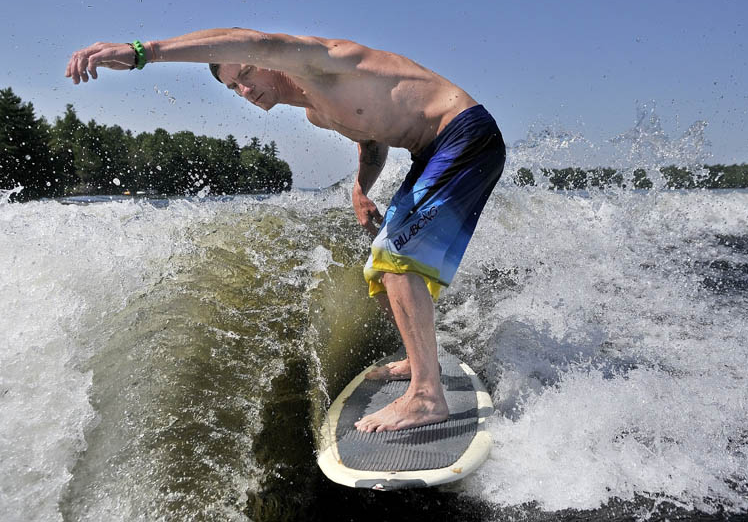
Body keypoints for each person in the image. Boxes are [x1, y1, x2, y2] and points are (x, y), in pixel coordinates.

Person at [66, 28, 505, 433]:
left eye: (247, 72)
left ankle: (427, 397)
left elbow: (248, 38)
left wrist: (145, 53)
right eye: (233, 87)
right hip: (429, 153)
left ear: (268, 60)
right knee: (383, 256)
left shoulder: (322, 60)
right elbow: (372, 138)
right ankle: (417, 361)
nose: (244, 89)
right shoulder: (317, 113)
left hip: (462, 134)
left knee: (396, 257)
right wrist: (359, 188)